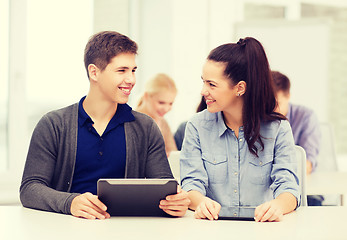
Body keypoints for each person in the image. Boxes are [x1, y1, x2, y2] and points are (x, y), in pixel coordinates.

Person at [20, 31, 190, 219]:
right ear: (94, 72)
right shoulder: (53, 124)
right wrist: (70, 203)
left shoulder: (146, 127)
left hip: (126, 230)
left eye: (133, 70)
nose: (131, 80)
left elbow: (163, 187)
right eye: (121, 70)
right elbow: (30, 188)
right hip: (66, 228)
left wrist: (175, 202)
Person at [180, 37, 300, 222]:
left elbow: (289, 188)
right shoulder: (197, 126)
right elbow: (191, 183)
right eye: (203, 82)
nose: (203, 91)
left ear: (240, 88)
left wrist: (277, 206)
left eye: (212, 84)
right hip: (212, 228)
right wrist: (201, 202)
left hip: (263, 229)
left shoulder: (278, 129)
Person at [271, 70, 323, 206]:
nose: (272, 109)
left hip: (304, 190)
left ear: (288, 96)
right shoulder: (262, 120)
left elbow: (307, 164)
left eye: (277, 103)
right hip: (270, 192)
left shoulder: (306, 116)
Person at [136, 73, 178, 156]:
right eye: (161, 103)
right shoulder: (132, 121)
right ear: (146, 96)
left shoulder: (163, 123)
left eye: (170, 103)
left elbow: (174, 155)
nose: (166, 109)